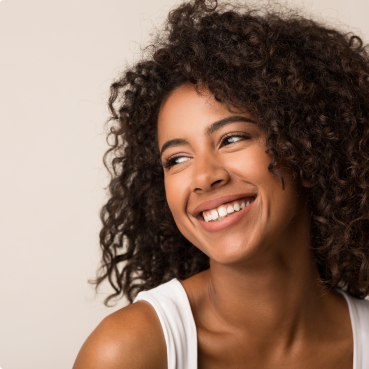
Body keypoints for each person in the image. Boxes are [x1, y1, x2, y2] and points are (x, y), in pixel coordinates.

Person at [73, 0, 369, 368]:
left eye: (231, 139)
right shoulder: (130, 352)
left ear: (308, 150)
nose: (203, 176)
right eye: (177, 159)